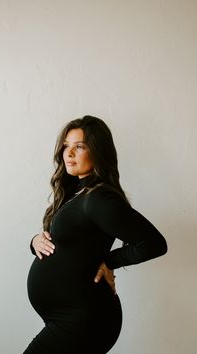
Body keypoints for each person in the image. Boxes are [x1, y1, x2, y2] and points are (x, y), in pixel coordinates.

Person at [23, 115, 167, 354]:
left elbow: (154, 243)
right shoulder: (76, 192)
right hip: (69, 318)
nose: (68, 154)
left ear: (98, 152)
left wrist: (108, 261)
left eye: (79, 147)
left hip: (84, 320)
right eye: (66, 146)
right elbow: (64, 243)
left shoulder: (99, 199)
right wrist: (34, 242)